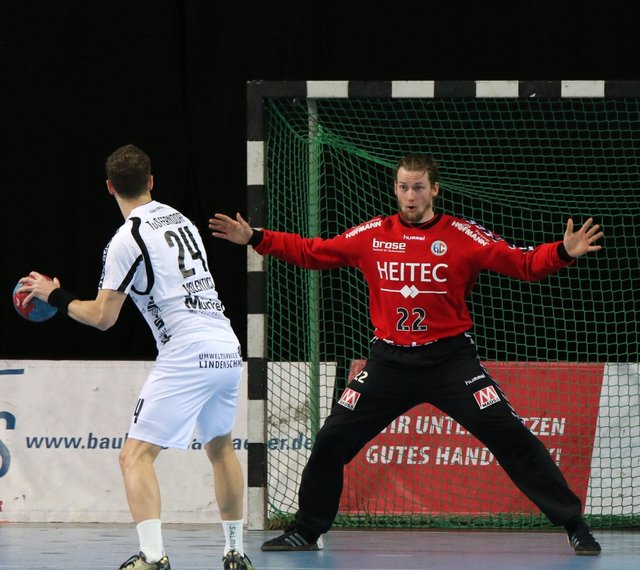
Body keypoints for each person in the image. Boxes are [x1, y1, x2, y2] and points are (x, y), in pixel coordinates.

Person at [208, 153, 604, 557]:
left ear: (434, 189)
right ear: (395, 189)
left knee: (512, 437)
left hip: (450, 362)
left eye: (418, 187)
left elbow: (522, 264)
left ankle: (575, 525)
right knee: (330, 440)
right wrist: (257, 237)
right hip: (388, 365)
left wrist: (563, 252)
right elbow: (314, 251)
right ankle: (307, 530)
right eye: (403, 187)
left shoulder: (463, 235)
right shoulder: (372, 234)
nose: (410, 196)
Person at [19, 144, 255, 570]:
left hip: (187, 352)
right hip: (226, 344)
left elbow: (103, 318)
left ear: (109, 187)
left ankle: (152, 557)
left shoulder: (126, 239)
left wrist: (55, 295)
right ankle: (235, 553)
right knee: (221, 448)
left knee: (134, 456)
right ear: (151, 181)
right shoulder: (180, 219)